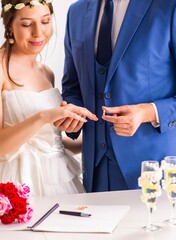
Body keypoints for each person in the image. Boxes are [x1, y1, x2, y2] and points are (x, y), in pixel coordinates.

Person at [59, 0, 176, 192]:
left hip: (152, 171)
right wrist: (71, 112)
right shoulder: (76, 12)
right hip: (94, 175)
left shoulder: (169, 6)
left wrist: (148, 112)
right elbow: (72, 85)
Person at [0, 0, 98, 196]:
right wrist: (45, 116)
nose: (38, 33)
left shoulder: (46, 72)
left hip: (56, 179)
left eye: (45, 21)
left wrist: (91, 142)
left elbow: (48, 141)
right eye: (27, 24)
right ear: (10, 25)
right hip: (17, 179)